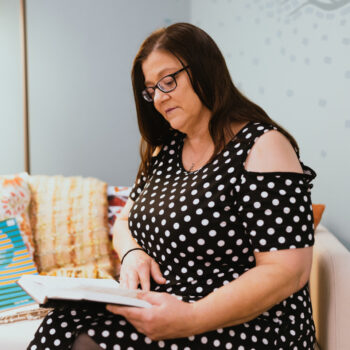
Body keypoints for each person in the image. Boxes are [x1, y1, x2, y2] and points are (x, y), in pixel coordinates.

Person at [28, 22, 317, 350]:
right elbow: (125, 222)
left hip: (251, 324)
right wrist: (133, 254)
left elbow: (287, 270)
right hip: (174, 305)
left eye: (168, 81)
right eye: (151, 90)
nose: (159, 98)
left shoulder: (263, 146)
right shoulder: (165, 150)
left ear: (205, 70)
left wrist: (192, 317)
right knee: (62, 323)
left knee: (91, 339)